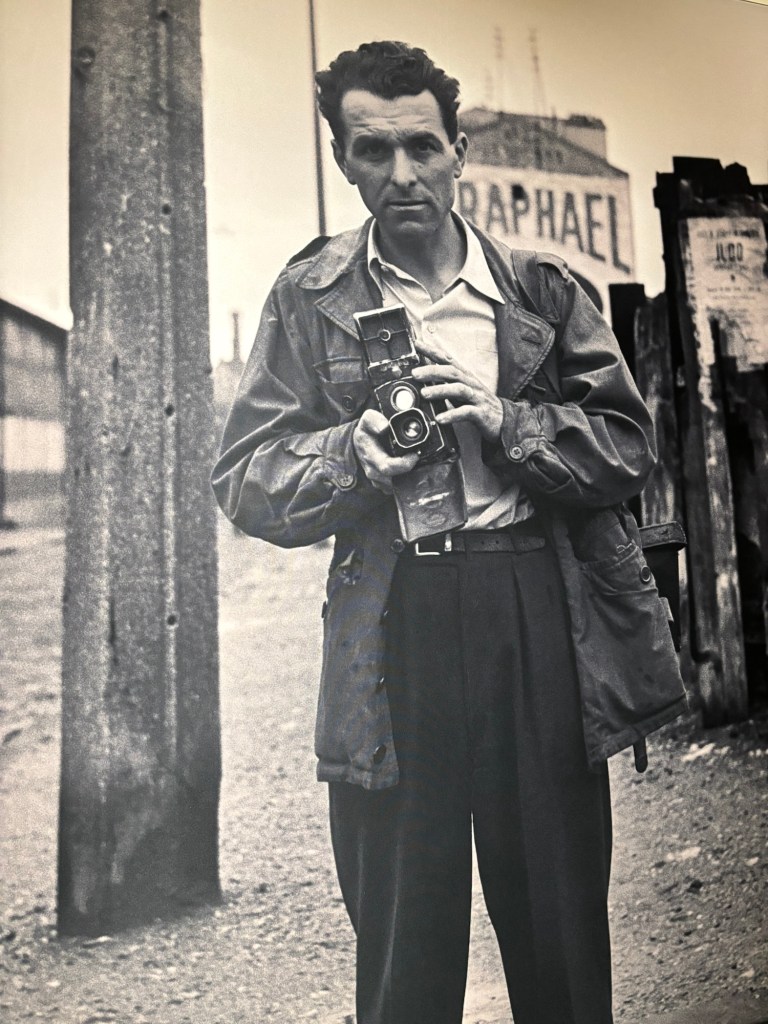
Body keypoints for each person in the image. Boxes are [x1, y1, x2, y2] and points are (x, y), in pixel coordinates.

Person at [212, 40, 686, 1024]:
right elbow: (245, 476)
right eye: (372, 150)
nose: (402, 174)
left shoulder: (540, 291)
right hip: (396, 626)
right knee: (404, 955)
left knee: (560, 941)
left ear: (459, 150)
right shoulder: (311, 299)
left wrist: (508, 421)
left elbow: (629, 446)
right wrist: (350, 456)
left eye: (422, 147)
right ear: (343, 158)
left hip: (532, 610)